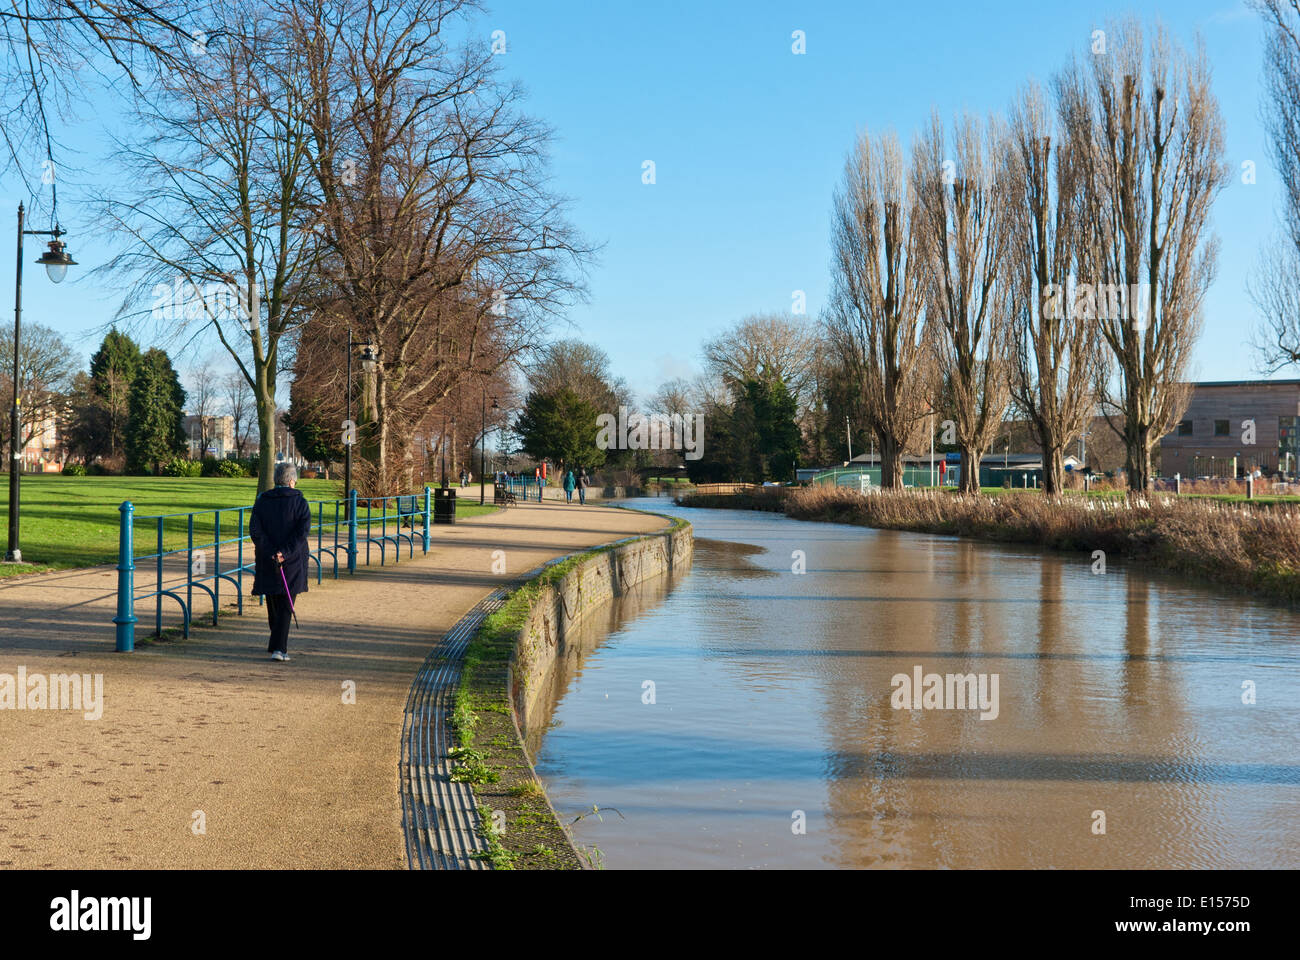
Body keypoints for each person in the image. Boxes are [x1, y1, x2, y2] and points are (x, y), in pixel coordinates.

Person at [250, 461, 311, 662]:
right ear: (292, 481)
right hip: (292, 559)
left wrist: (272, 551)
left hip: (268, 558)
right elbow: (301, 533)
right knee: (286, 604)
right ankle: (280, 649)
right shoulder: (300, 503)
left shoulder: (261, 501)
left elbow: (256, 531)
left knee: (274, 600)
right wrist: (284, 552)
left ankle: (274, 643)